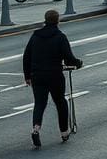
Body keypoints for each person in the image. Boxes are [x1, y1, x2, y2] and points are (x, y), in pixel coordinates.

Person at [22, 9, 82, 147]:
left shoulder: (35, 36)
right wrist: (78, 64)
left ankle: (36, 129)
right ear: (57, 21)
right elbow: (69, 59)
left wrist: (27, 76)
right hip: (55, 75)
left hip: (37, 76)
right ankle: (64, 132)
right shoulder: (60, 37)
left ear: (45, 20)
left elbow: (27, 56)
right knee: (60, 102)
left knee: (39, 104)